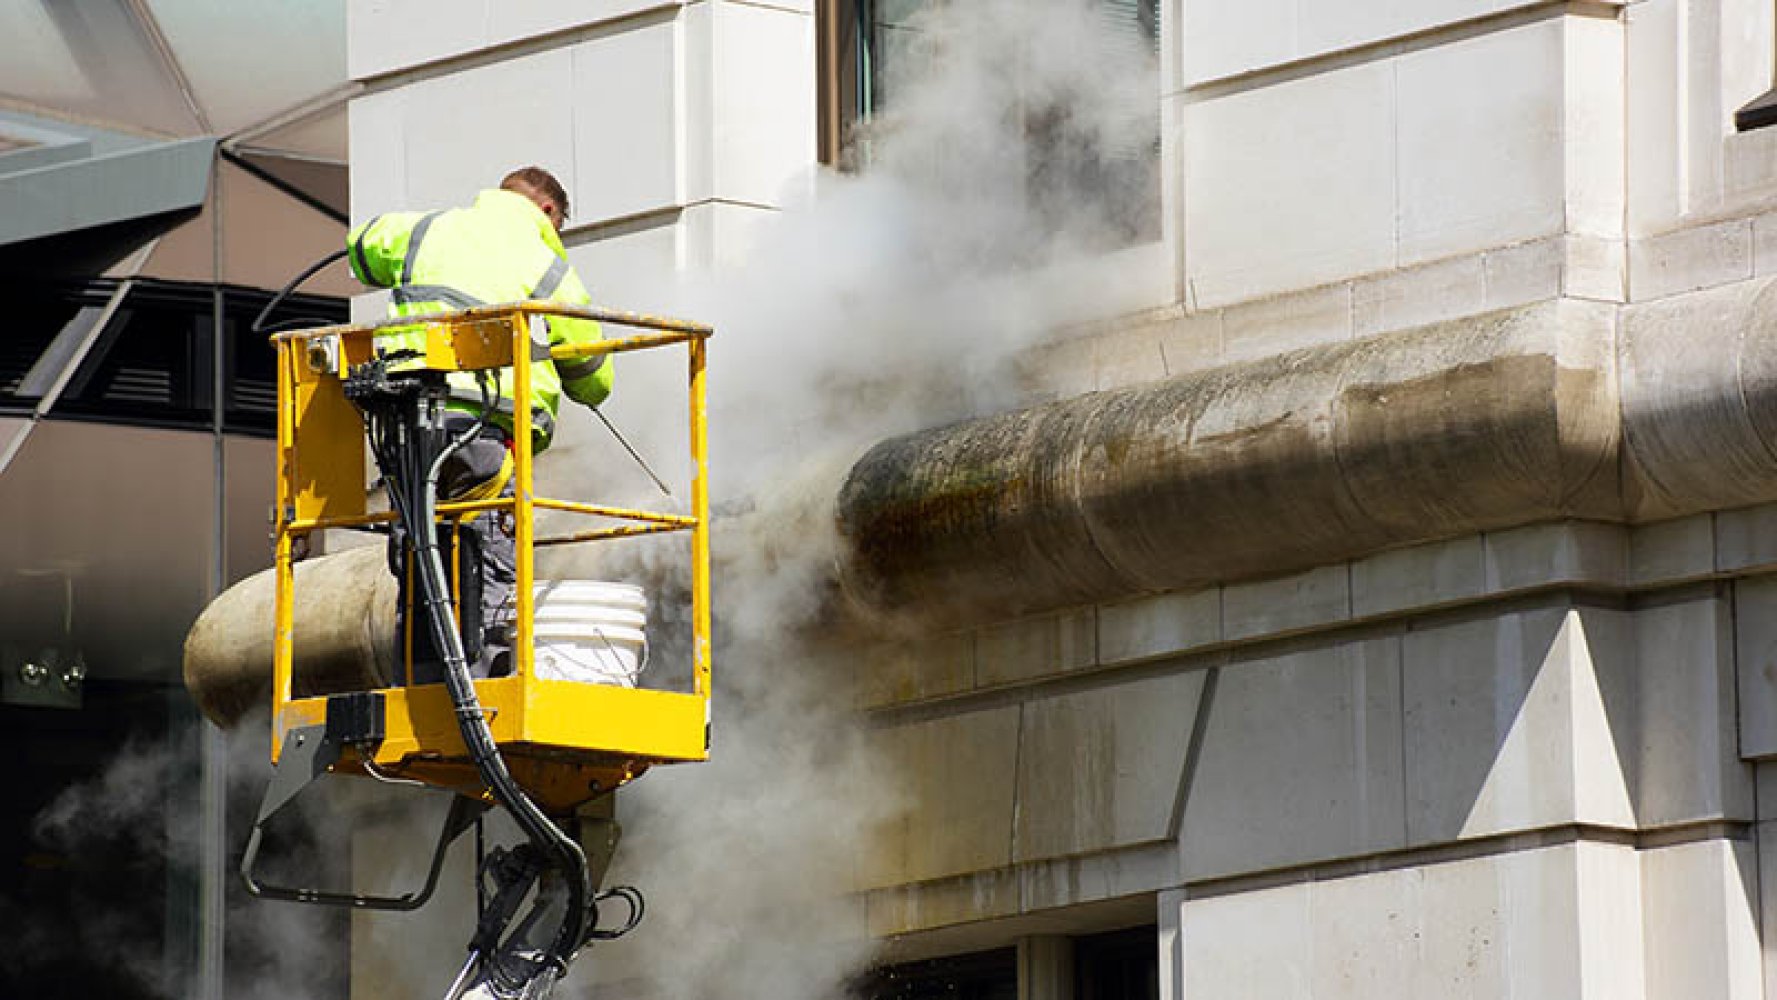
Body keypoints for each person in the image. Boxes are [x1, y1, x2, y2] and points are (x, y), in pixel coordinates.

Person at [345, 166, 613, 679]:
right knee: (485, 553)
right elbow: (594, 375)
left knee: (422, 553)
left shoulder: (423, 231)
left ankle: (421, 679)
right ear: (548, 213)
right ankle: (481, 685)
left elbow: (360, 247)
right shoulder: (546, 265)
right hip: (483, 434)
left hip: (407, 429)